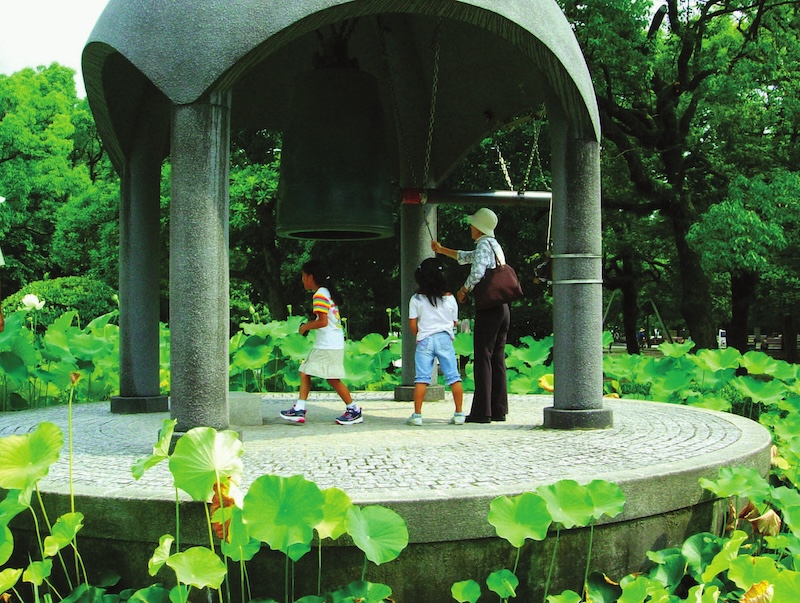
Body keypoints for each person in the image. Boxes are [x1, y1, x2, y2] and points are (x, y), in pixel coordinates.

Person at [431, 207, 509, 423]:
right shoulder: (493, 245)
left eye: (473, 225)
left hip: (490, 308)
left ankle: (481, 412)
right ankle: (498, 409)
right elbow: (466, 257)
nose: (470, 228)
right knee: (497, 358)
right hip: (503, 309)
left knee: (483, 357)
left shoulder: (484, 244)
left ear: (480, 227)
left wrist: (463, 290)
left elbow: (477, 271)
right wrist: (441, 249)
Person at [280, 260, 363, 425]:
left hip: (328, 344)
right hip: (331, 343)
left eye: (303, 276)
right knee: (308, 372)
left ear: (310, 277)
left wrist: (305, 327)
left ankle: (353, 409)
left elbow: (323, 321)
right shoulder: (326, 292)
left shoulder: (319, 295)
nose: (303, 280)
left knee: (324, 377)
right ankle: (300, 408)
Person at [407, 258, 465, 426]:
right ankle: (459, 413)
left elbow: (412, 324)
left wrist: (420, 334)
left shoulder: (416, 299)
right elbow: (454, 322)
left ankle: (417, 415)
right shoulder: (450, 298)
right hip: (444, 339)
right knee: (454, 377)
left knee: (422, 378)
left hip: (425, 339)